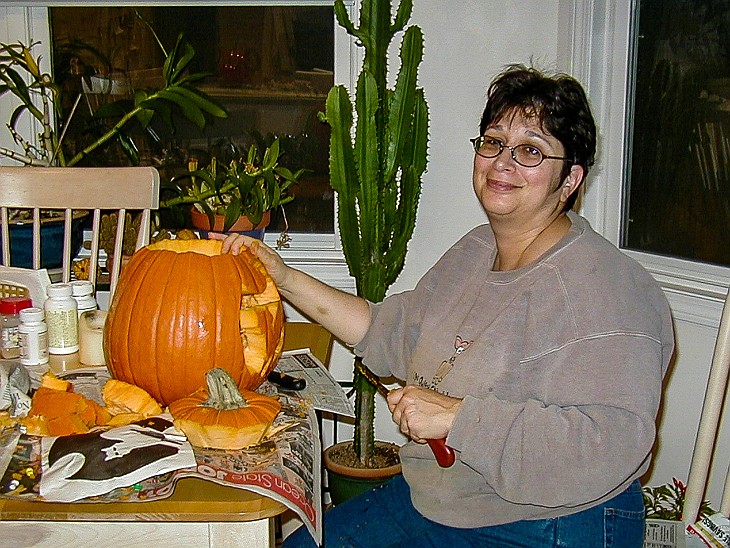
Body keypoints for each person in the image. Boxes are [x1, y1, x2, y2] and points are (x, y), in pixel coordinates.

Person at [212, 64, 674, 547]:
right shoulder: (475, 251)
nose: (502, 163)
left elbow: (613, 442)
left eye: (531, 151)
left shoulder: (608, 291)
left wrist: (458, 418)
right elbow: (387, 331)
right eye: (493, 142)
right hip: (438, 499)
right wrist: (282, 278)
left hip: (547, 524)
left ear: (571, 178)